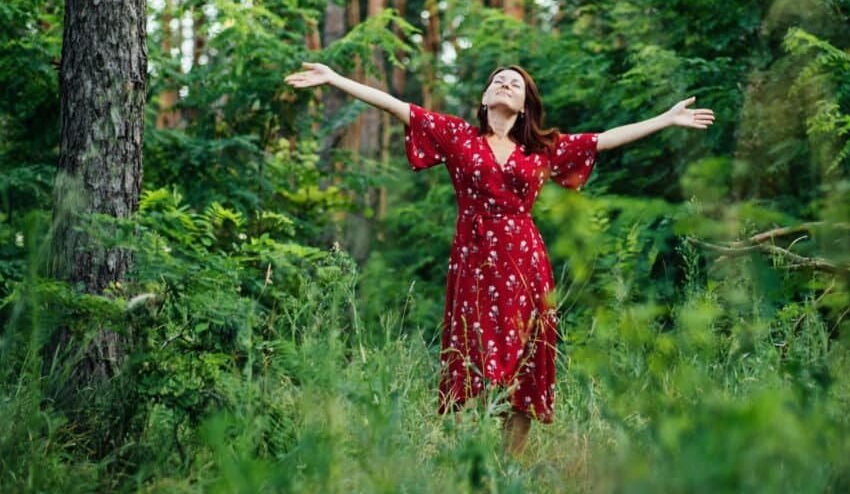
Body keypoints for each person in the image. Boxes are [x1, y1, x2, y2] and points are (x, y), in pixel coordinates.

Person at [284, 62, 715, 455]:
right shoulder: (457, 136)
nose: (506, 85)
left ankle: (512, 464)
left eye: (516, 84)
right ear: (485, 99)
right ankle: (473, 457)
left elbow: (602, 141)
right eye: (498, 81)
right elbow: (398, 106)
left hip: (525, 260)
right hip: (473, 260)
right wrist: (335, 78)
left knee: (526, 358)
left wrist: (667, 118)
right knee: (474, 355)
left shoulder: (541, 149)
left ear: (525, 105)